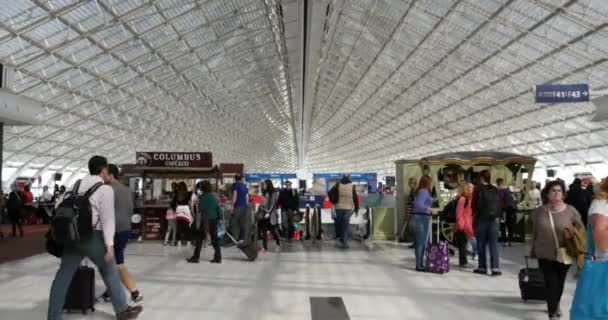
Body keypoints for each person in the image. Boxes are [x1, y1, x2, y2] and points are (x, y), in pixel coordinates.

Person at [47, 156, 142, 320]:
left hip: (72, 237)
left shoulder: (74, 185)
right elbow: (107, 219)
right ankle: (122, 310)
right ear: (104, 169)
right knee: (109, 271)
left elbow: (58, 206)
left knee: (63, 276)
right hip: (93, 238)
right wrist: (110, 245)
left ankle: (53, 316)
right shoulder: (104, 189)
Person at [530, 180, 583, 320]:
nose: (556, 193)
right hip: (544, 253)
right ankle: (552, 312)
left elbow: (580, 229)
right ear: (547, 194)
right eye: (553, 190)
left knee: (559, 283)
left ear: (563, 194)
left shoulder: (571, 210)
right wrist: (532, 250)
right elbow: (535, 232)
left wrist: (572, 233)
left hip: (564, 253)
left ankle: (556, 302)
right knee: (550, 283)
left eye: (559, 190)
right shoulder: (539, 212)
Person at [100, 164, 143, 305]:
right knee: (113, 262)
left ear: (111, 175)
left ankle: (135, 293)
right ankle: (109, 292)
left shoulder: (107, 189)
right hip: (125, 229)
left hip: (114, 231)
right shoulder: (127, 190)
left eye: (104, 174)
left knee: (117, 264)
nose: (102, 176)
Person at [472, 170, 502, 276]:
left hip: (481, 219)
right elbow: (501, 204)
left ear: (481, 178)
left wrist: (474, 215)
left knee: (481, 244)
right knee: (494, 244)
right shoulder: (496, 189)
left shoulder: (477, 189)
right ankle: (495, 268)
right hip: (494, 220)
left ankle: (482, 267)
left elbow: (473, 204)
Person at [188, 180, 222, 263]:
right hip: (214, 219)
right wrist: (220, 218)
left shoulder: (203, 197)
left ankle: (196, 257)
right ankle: (218, 257)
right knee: (214, 238)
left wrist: (198, 202)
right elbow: (218, 209)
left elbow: (200, 208)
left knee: (199, 238)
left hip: (205, 220)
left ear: (202, 188)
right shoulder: (214, 196)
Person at [330, 173, 359, 249]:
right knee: (345, 225)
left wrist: (333, 201)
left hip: (338, 207)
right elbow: (355, 199)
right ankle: (344, 242)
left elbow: (329, 193)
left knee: (340, 225)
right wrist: (356, 209)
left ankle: (342, 239)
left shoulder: (337, 184)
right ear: (349, 177)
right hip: (348, 208)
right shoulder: (352, 186)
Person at [411, 175, 433, 271]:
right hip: (421, 218)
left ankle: (419, 264)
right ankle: (419, 265)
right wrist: (428, 209)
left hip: (419, 217)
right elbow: (418, 204)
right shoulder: (424, 191)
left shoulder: (420, 191)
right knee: (421, 243)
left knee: (420, 242)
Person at [454, 183, 474, 267]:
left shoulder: (469, 199)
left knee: (464, 243)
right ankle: (463, 262)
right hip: (463, 225)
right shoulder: (463, 199)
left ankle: (464, 261)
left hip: (467, 224)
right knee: (462, 244)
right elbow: (458, 213)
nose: (473, 190)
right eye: (472, 188)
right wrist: (461, 224)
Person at [258, 179, 280, 252]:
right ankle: (265, 247)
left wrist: (269, 213)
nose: (263, 186)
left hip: (270, 215)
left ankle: (278, 241)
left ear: (268, 185)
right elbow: (263, 202)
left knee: (273, 231)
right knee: (264, 231)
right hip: (264, 214)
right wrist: (261, 206)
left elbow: (273, 204)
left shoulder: (273, 193)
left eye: (264, 184)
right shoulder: (264, 193)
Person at [497, 178, 517, 247]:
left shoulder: (498, 191)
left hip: (502, 211)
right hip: (509, 211)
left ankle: (504, 241)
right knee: (509, 226)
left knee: (503, 226)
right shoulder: (508, 190)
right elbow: (514, 201)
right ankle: (509, 241)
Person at [171, 182, 192, 247]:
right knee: (187, 226)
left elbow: (172, 204)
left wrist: (175, 210)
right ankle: (188, 242)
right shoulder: (188, 193)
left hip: (179, 209)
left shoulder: (176, 194)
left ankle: (179, 242)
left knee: (179, 227)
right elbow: (190, 202)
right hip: (186, 209)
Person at [231, 175, 249, 242]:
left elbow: (235, 196)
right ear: (241, 179)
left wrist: (232, 206)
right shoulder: (244, 185)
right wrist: (246, 206)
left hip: (237, 206)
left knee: (235, 222)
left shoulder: (235, 185)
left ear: (235, 179)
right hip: (244, 207)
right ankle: (243, 238)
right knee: (242, 223)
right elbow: (247, 197)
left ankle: (236, 238)